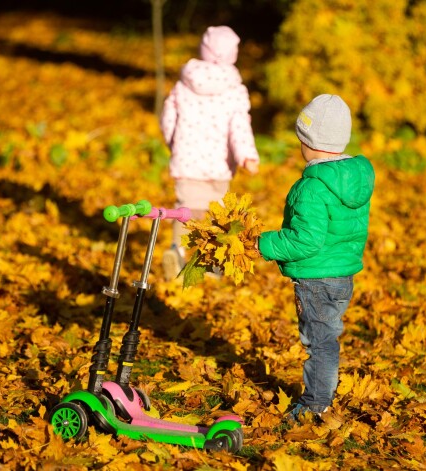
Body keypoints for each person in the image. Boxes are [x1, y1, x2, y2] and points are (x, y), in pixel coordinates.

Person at [258, 94, 375, 422]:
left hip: (316, 279)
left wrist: (262, 245)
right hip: (342, 275)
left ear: (308, 142)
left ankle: (315, 404)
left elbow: (304, 242)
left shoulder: (311, 188)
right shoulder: (353, 179)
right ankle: (323, 394)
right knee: (327, 335)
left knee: (319, 342)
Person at [160, 25, 260, 280]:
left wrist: (173, 143)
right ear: (233, 55)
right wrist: (246, 155)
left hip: (187, 161)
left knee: (186, 210)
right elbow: (239, 125)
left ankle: (178, 251)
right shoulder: (235, 89)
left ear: (204, 49)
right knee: (217, 214)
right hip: (219, 164)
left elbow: (168, 116)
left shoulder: (185, 82)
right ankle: (212, 265)